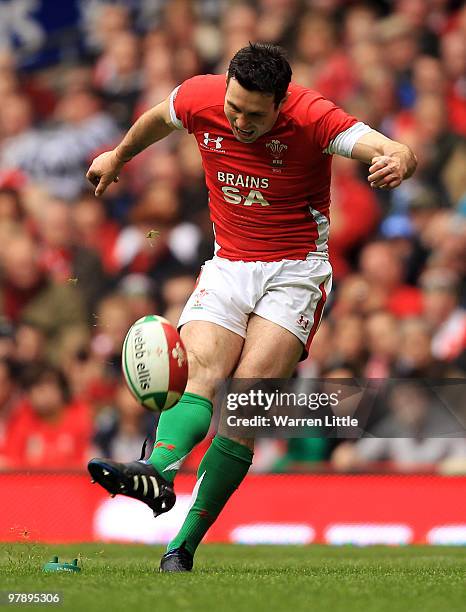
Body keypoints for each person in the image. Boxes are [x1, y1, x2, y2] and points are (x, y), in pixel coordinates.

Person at [86, 43, 417, 571]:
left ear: (281, 103)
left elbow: (387, 146)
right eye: (234, 108)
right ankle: (160, 473)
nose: (240, 121)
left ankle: (183, 546)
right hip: (228, 263)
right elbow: (157, 117)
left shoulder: (313, 117)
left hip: (295, 272)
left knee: (243, 402)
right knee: (199, 374)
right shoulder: (201, 96)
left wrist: (398, 158)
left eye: (254, 114)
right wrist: (118, 156)